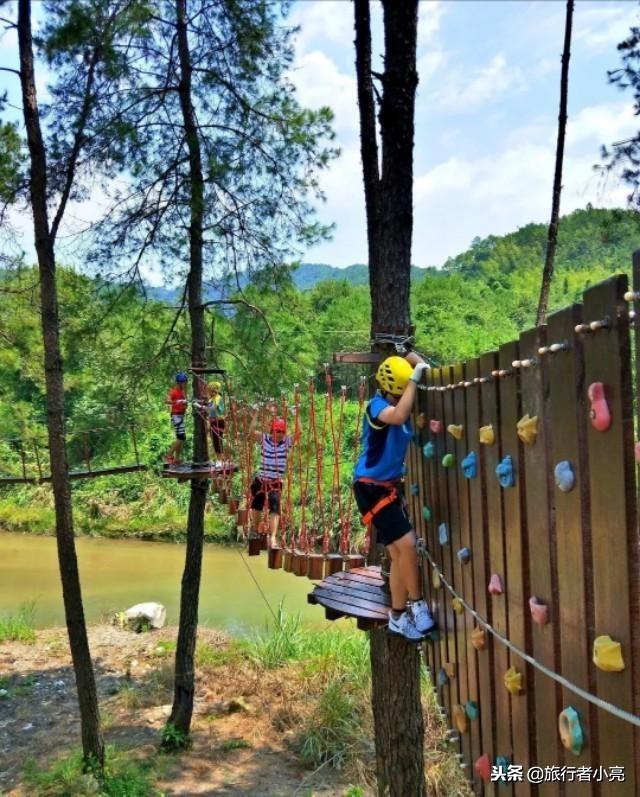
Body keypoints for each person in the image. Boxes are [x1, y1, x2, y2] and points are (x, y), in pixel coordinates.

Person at [352, 353, 436, 642]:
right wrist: (415, 376)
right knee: (409, 544)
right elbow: (398, 415)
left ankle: (398, 616)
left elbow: (417, 363)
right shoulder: (377, 406)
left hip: (384, 487)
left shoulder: (399, 399)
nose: (405, 395)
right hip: (370, 487)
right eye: (401, 390)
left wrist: (413, 358)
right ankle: (417, 605)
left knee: (400, 552)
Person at [249, 410, 296, 547]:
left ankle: (273, 537)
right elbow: (251, 432)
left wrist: (295, 415)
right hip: (262, 479)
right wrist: (256, 414)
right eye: (277, 431)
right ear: (272, 431)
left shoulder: (286, 442)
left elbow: (299, 433)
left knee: (275, 507)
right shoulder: (264, 439)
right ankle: (255, 530)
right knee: (257, 504)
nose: (279, 434)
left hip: (275, 481)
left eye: (282, 432)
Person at [165, 372, 189, 465]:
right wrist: (176, 402)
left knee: (180, 438)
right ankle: (169, 455)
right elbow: (167, 400)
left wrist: (185, 403)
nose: (185, 384)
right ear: (179, 382)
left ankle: (177, 459)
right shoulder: (174, 391)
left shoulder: (183, 392)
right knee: (181, 437)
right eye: (184, 382)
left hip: (181, 415)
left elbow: (185, 403)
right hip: (176, 416)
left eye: (185, 382)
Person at [207, 381, 226, 457]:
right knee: (215, 442)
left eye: (210, 391)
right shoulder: (211, 399)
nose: (209, 392)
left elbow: (213, 408)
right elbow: (209, 412)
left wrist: (205, 407)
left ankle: (221, 460)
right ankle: (219, 459)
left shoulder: (218, 398)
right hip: (213, 421)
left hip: (218, 421)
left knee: (218, 441)